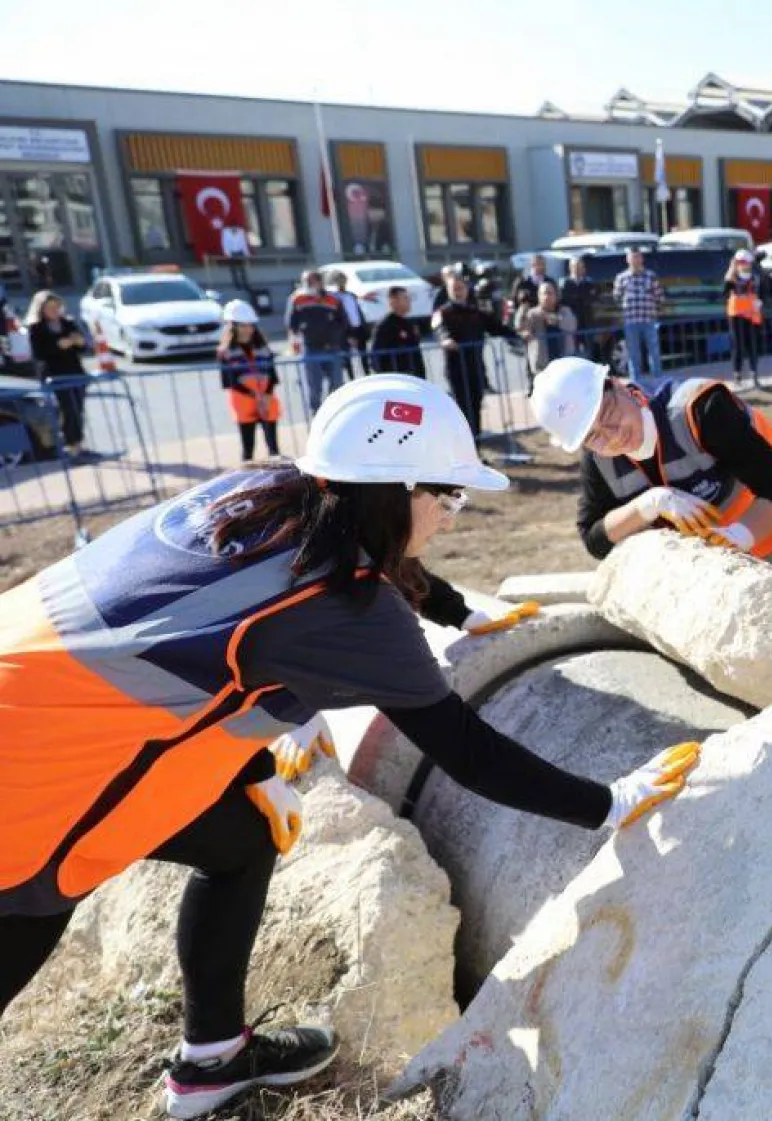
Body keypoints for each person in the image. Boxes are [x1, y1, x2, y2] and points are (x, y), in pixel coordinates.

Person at [0, 374, 700, 1119]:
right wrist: (609, 800)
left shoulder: (272, 498)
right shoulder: (347, 606)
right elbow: (467, 749)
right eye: (449, 496)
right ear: (394, 489)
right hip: (37, 772)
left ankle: (214, 1061)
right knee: (33, 905)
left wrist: (457, 614)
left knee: (240, 837)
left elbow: (196, 637)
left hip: (31, 671)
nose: (455, 519)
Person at [531, 356, 772, 580]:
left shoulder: (698, 409)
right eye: (594, 436)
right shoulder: (598, 460)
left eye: (609, 413)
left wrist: (737, 538)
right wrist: (648, 504)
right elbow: (595, 540)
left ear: (620, 386)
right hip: (711, 566)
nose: (613, 435)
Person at [433, 273, 519, 439]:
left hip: (477, 368)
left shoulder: (476, 312)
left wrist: (517, 335)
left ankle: (476, 446)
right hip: (457, 370)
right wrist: (445, 340)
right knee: (463, 410)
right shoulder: (442, 313)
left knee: (476, 406)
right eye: (454, 289)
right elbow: (439, 329)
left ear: (466, 290)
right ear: (449, 291)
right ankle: (465, 448)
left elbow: (496, 327)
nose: (458, 292)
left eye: (461, 288)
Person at [24, 291, 89, 460]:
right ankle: (71, 447)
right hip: (56, 375)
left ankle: (79, 444)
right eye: (50, 307)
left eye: (57, 306)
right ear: (41, 309)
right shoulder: (36, 328)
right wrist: (58, 345)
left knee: (78, 410)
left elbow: (82, 346)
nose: (54, 310)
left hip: (76, 373)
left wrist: (80, 342)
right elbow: (38, 353)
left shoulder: (68, 323)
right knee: (67, 411)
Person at [218, 299, 280, 463]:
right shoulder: (226, 353)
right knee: (248, 448)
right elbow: (229, 382)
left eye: (250, 325)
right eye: (243, 326)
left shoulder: (263, 348)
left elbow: (273, 375)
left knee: (273, 448)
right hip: (244, 402)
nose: (248, 330)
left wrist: (266, 395)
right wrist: (255, 395)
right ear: (233, 327)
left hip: (267, 400)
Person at [286, 270, 350, 413]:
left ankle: (335, 411)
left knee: (336, 382)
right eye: (306, 281)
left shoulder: (333, 300)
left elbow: (343, 322)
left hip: (332, 348)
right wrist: (294, 341)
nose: (308, 284)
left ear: (320, 282)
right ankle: (317, 412)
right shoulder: (298, 299)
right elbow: (292, 324)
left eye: (311, 280)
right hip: (311, 348)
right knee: (314, 385)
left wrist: (335, 336)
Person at [613, 248, 664, 382]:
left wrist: (656, 310)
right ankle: (636, 383)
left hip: (648, 320)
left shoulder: (650, 276)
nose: (635, 260)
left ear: (641, 259)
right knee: (633, 354)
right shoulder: (621, 277)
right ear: (627, 259)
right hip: (630, 321)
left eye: (637, 257)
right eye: (632, 257)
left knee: (654, 352)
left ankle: (658, 381)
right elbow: (616, 297)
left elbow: (659, 296)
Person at [518, 280, 576, 389]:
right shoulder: (533, 314)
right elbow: (522, 329)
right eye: (543, 293)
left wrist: (554, 319)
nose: (546, 297)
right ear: (538, 296)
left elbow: (571, 326)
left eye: (550, 293)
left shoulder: (565, 311)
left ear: (556, 295)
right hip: (542, 364)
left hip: (564, 362)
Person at [723, 250, 763, 386]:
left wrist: (759, 302)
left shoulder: (754, 277)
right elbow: (725, 290)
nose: (744, 265)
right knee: (738, 346)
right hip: (736, 315)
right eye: (740, 262)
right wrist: (731, 269)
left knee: (752, 345)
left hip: (751, 315)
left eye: (745, 262)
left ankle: (754, 375)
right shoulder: (732, 277)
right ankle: (737, 375)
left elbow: (761, 292)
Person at [369, 287, 426, 377]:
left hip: (414, 378)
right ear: (393, 301)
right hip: (397, 379)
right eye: (405, 298)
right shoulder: (384, 326)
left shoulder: (408, 324)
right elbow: (376, 357)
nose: (409, 302)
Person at [328, 272, 369, 379]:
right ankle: (352, 379)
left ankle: (367, 375)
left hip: (358, 327)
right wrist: (345, 332)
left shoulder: (351, 295)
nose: (341, 282)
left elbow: (357, 311)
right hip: (345, 331)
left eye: (343, 279)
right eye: (339, 280)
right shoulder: (334, 297)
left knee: (363, 355)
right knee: (347, 357)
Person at [559, 257, 599, 362]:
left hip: (587, 322)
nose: (577, 269)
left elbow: (593, 298)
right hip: (571, 323)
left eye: (580, 267)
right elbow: (564, 300)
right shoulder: (565, 283)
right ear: (570, 268)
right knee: (572, 354)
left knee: (588, 352)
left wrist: (580, 298)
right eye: (575, 267)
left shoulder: (589, 282)